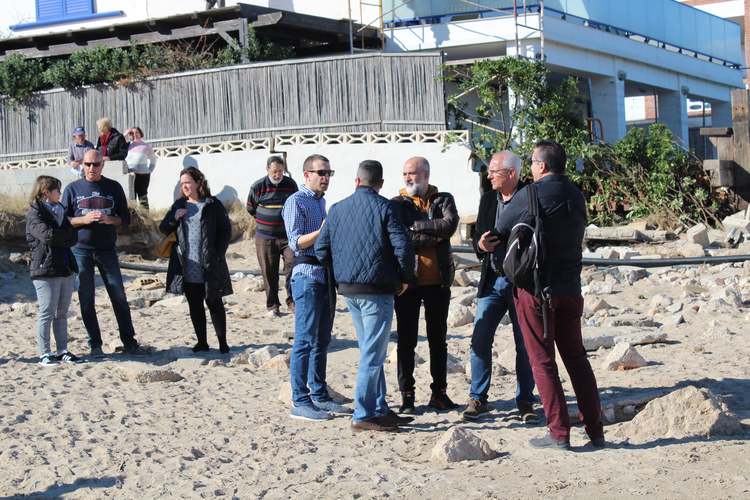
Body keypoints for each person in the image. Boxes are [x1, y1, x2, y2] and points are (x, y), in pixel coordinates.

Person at [495, 140, 605, 450]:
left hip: (537, 289)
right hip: (571, 287)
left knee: (542, 361)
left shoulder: (530, 194)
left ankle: (558, 432)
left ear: (541, 166)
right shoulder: (576, 194)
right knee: (577, 358)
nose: (530, 168)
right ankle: (595, 430)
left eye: (532, 162)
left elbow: (501, 227)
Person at [316, 160, 415, 432]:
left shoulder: (336, 209)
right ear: (380, 184)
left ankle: (379, 407)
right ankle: (363, 413)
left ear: (357, 181)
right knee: (372, 354)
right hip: (378, 290)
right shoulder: (386, 207)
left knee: (371, 349)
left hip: (349, 289)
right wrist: (406, 279)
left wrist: (339, 274)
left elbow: (321, 248)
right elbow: (403, 247)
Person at [463, 151, 537, 423]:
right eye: (489, 171)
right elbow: (476, 239)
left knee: (525, 344)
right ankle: (478, 398)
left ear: (511, 174)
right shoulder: (487, 200)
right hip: (492, 280)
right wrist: (480, 246)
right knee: (480, 339)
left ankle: (525, 402)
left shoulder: (530, 197)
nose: (489, 175)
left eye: (495, 171)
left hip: (522, 282)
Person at [282, 154, 351, 421]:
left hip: (325, 275)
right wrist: (324, 230)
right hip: (306, 275)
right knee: (304, 340)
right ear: (306, 174)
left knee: (323, 340)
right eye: (320, 172)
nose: (325, 177)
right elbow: (295, 242)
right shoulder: (295, 202)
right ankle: (299, 400)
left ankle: (319, 395)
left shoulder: (322, 203)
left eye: (328, 173)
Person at [391, 156, 459, 414]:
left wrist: (417, 227)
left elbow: (450, 226)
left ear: (426, 175)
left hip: (438, 281)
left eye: (413, 173)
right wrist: (433, 235)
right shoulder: (397, 203)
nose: (408, 178)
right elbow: (400, 237)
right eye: (405, 173)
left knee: (438, 340)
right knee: (406, 340)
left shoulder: (443, 199)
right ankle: (407, 396)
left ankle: (439, 393)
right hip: (408, 283)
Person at [62, 149, 140, 357]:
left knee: (119, 296)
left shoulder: (113, 187)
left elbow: (125, 218)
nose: (91, 169)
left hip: (107, 250)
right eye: (87, 164)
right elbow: (63, 220)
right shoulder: (72, 189)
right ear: (82, 165)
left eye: (95, 165)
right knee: (86, 299)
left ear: (102, 165)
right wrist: (83, 220)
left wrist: (111, 220)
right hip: (81, 251)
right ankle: (95, 343)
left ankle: (129, 341)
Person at [160, 167, 232, 354]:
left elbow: (225, 230)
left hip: (210, 262)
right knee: (194, 303)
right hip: (187, 264)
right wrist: (173, 219)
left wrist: (218, 253)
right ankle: (202, 342)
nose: (185, 186)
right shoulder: (179, 205)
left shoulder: (212, 204)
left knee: (214, 300)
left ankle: (222, 342)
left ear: (199, 183)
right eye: (182, 183)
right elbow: (163, 228)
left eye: (188, 183)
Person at [25, 176, 80, 366]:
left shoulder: (61, 211)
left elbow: (73, 237)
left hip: (65, 267)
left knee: (62, 312)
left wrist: (63, 236)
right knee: (47, 311)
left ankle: (62, 350)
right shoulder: (35, 213)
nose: (61, 193)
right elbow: (47, 236)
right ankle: (45, 353)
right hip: (44, 270)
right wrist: (64, 235)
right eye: (58, 190)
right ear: (46, 191)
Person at [246, 155, 298, 318]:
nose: (278, 175)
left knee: (293, 266)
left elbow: (296, 203)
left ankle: (293, 302)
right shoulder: (258, 186)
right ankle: (273, 305)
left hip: (288, 236)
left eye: (281, 171)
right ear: (267, 169)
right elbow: (251, 208)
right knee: (269, 272)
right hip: (265, 237)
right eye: (275, 171)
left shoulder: (290, 185)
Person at [125, 127, 158, 210]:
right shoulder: (128, 145)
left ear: (140, 133)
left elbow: (153, 159)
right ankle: (134, 220)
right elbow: (118, 141)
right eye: (132, 133)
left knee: (142, 198)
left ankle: (146, 219)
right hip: (131, 175)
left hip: (143, 176)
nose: (135, 134)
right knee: (132, 198)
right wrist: (125, 133)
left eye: (137, 132)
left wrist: (150, 170)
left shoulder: (146, 146)